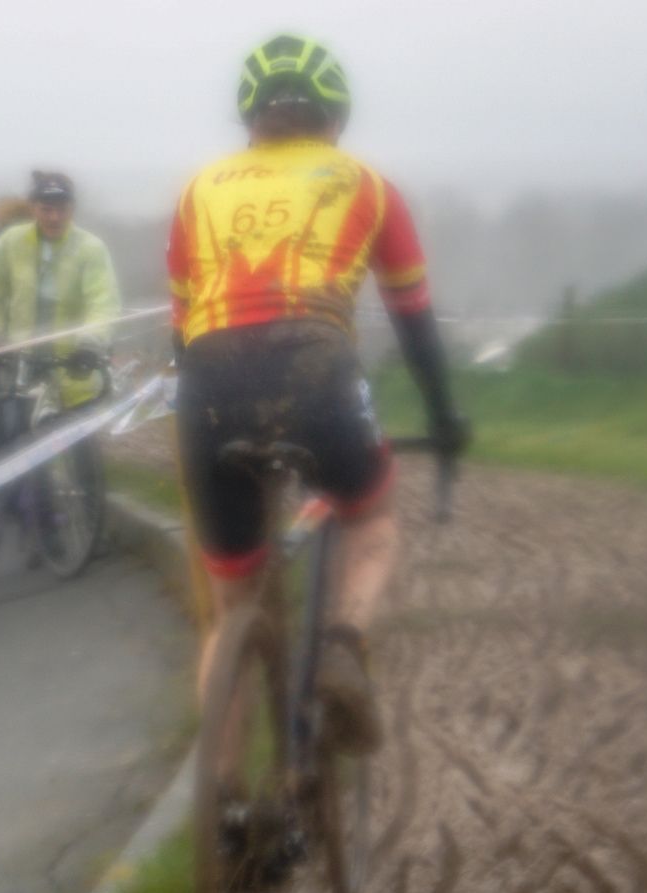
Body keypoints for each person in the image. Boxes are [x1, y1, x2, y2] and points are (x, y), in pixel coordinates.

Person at [167, 33, 469, 753]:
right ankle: (342, 646)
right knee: (370, 516)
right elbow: (415, 324)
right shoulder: (366, 185)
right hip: (316, 373)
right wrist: (443, 418)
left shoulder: (198, 190)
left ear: (251, 118)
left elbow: (181, 334)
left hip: (209, 387)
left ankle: (225, 797)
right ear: (335, 116)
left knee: (231, 605)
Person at [0, 170, 122, 410]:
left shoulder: (91, 248)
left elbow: (103, 301)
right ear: (33, 208)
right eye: (46, 209)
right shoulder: (12, 241)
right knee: (13, 427)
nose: (55, 217)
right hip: (20, 365)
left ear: (72, 209)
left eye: (62, 210)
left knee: (80, 432)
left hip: (74, 365)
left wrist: (91, 341)